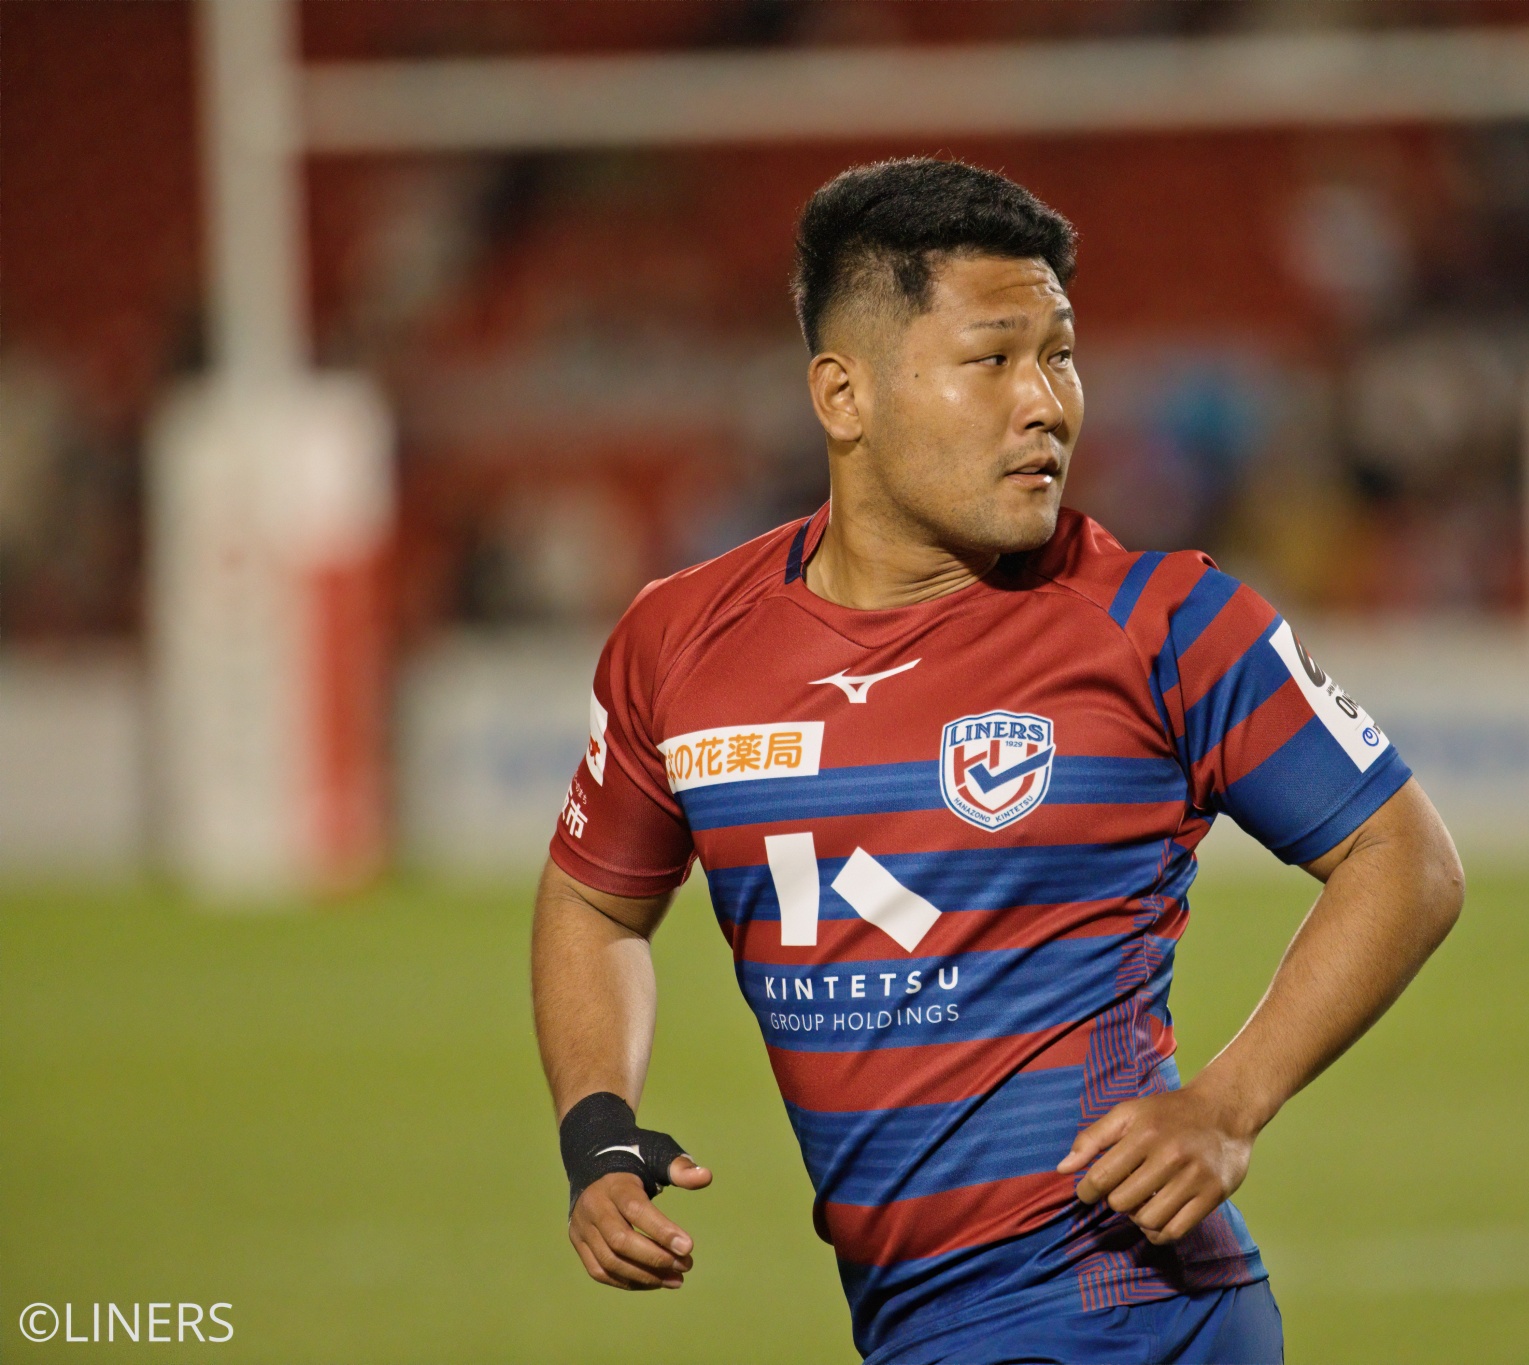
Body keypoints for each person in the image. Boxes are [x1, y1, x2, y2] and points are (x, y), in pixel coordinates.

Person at [531, 157, 1464, 1365]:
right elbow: (594, 900)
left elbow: (1403, 855)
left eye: (1059, 355)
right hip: (916, 1323)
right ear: (843, 395)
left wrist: (1228, 1104)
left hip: (1123, 1306)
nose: (1046, 404)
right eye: (991, 360)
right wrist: (596, 1130)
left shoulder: (1163, 623)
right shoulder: (680, 641)